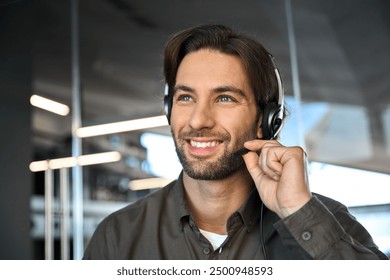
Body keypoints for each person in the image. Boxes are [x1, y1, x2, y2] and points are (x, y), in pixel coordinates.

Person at [83, 24, 388, 260]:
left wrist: (297, 211)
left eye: (225, 98)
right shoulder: (119, 236)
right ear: (169, 109)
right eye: (186, 97)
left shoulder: (326, 222)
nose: (198, 120)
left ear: (266, 120)